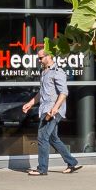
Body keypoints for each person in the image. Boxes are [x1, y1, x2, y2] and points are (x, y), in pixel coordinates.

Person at [21, 48, 80, 176]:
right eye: (38, 58)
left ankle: (42, 168)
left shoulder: (58, 72)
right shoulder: (44, 72)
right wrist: (30, 104)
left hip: (52, 111)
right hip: (45, 108)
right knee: (53, 138)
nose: (39, 60)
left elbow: (64, 93)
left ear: (49, 57)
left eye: (41, 58)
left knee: (42, 137)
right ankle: (72, 162)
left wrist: (55, 108)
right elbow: (41, 93)